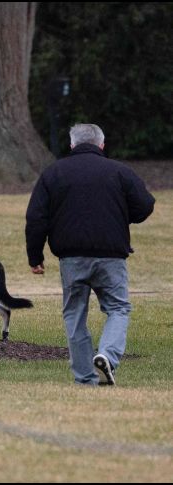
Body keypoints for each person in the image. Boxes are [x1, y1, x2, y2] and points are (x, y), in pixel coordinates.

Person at [25, 123, 155, 386]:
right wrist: (120, 217)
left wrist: (35, 256)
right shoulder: (119, 171)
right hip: (111, 256)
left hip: (71, 257)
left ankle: (85, 378)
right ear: (102, 145)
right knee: (118, 307)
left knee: (75, 313)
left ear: (72, 145)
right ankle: (107, 354)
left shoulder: (54, 173)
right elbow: (145, 205)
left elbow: (36, 217)